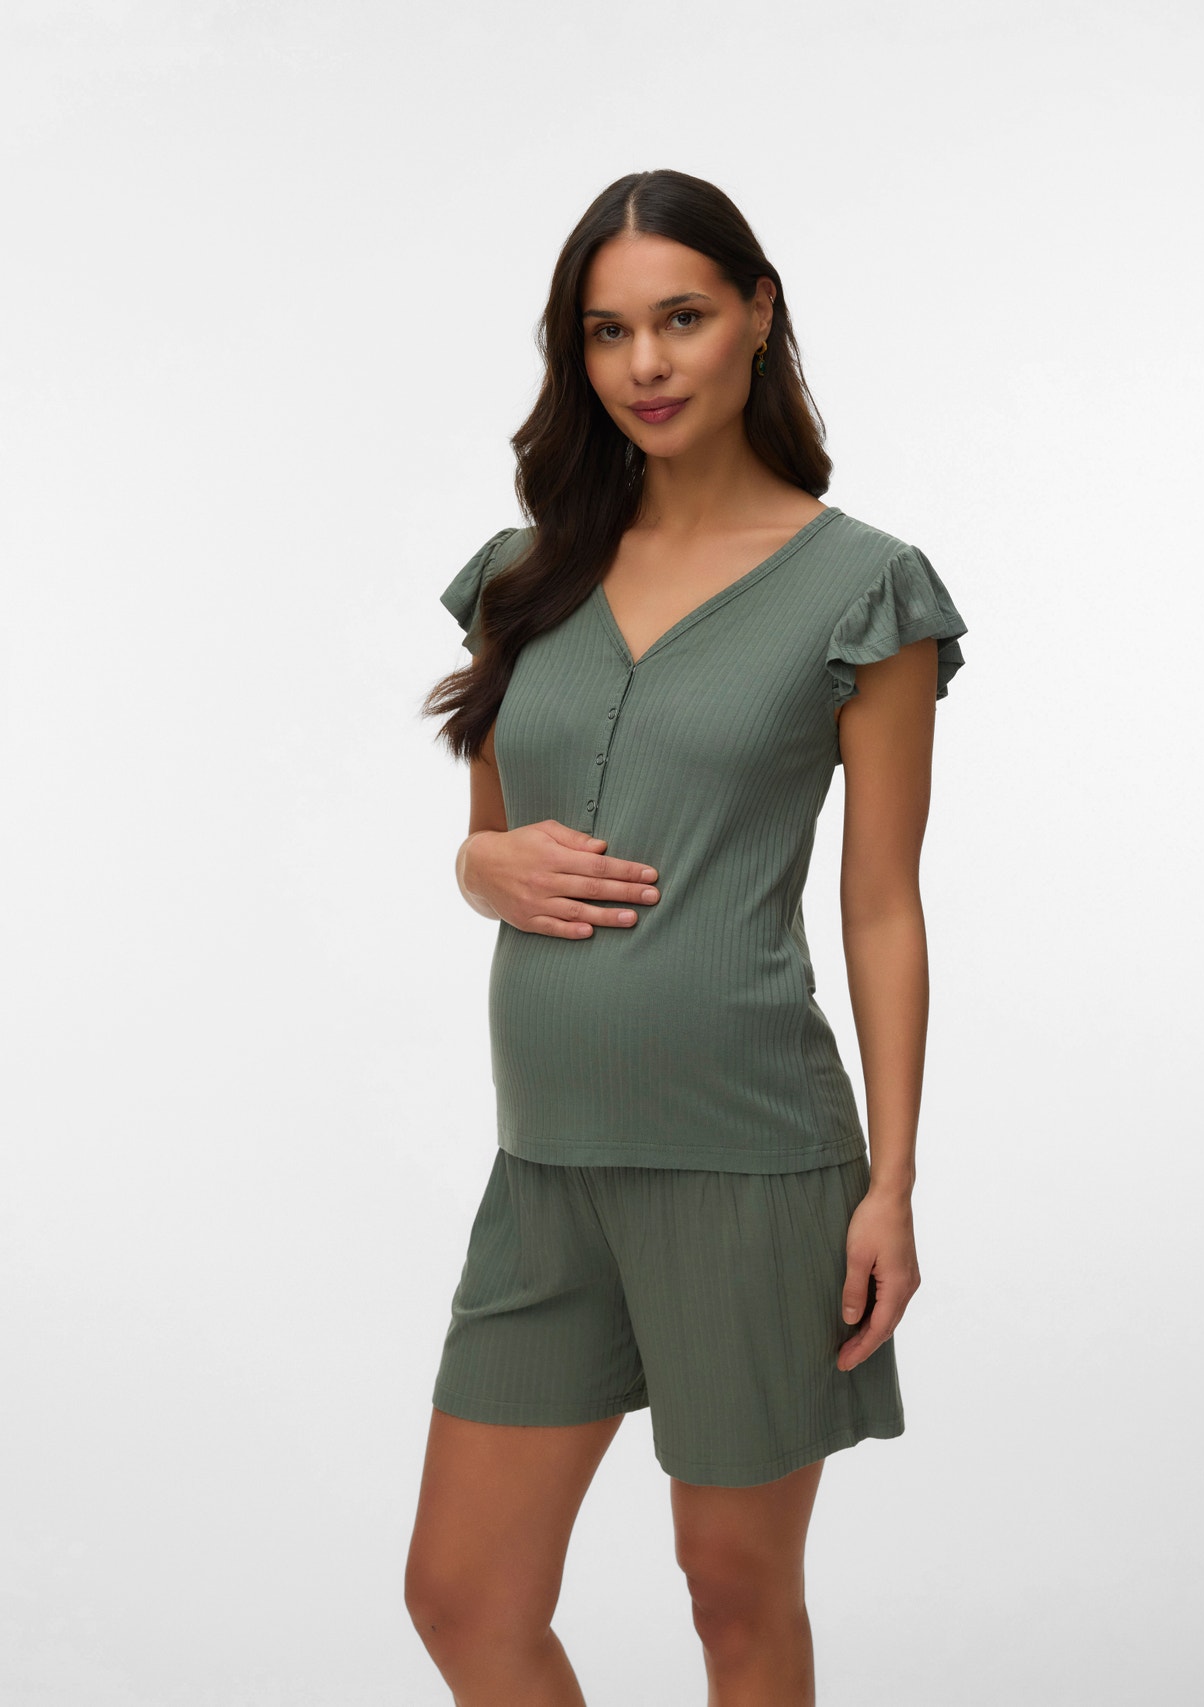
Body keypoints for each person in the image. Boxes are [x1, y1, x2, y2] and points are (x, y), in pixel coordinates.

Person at [406, 168, 969, 1707]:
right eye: (608, 332)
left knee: (733, 1593)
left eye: (682, 319)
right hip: (546, 1166)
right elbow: (491, 842)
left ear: (756, 316)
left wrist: (893, 1186)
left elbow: (882, 903)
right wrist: (475, 869)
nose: (645, 364)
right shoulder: (523, 580)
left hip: (751, 1161)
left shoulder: (863, 590)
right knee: (462, 1596)